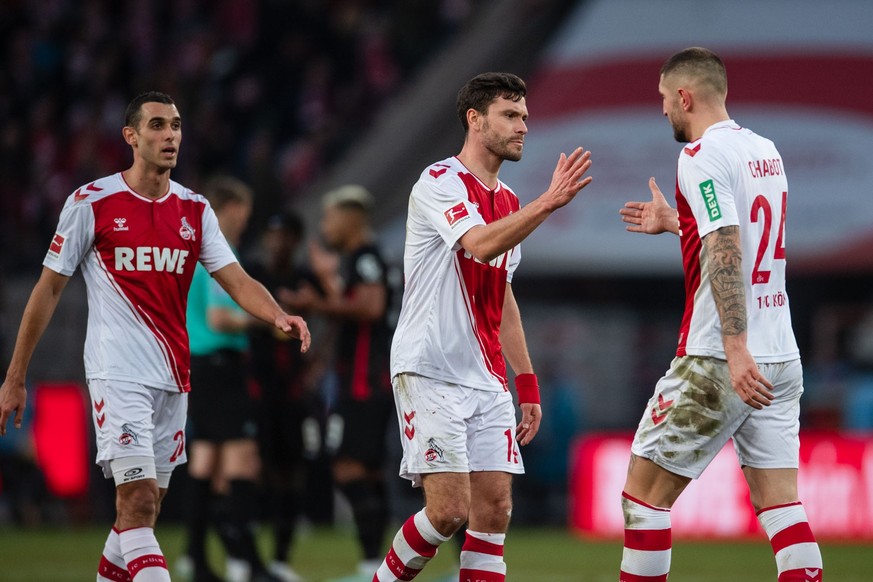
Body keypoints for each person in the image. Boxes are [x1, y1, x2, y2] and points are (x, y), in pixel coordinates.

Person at [0, 91, 310, 582]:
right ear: (131, 136)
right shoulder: (91, 203)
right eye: (159, 126)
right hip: (117, 372)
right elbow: (48, 288)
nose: (171, 136)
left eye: (177, 126)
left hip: (174, 377)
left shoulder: (194, 208)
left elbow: (235, 278)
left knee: (140, 513)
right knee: (138, 498)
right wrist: (15, 376)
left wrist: (278, 315)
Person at [370, 72, 592, 582]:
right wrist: (549, 202)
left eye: (525, 118)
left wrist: (527, 380)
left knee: (494, 512)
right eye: (510, 116)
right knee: (448, 510)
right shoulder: (438, 182)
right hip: (430, 368)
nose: (523, 128)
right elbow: (478, 245)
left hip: (486, 376)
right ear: (475, 119)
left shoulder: (510, 202)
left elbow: (503, 294)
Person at [617, 47, 823, 582]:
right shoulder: (765, 150)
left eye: (664, 99)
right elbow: (743, 235)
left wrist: (733, 348)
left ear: (684, 96)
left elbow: (728, 245)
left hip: (721, 357)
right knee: (783, 509)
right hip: (782, 355)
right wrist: (678, 221)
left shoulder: (699, 155)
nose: (663, 110)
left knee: (643, 500)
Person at [282, 185, 395, 581]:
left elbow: (370, 307)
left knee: (347, 468)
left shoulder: (366, 258)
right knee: (367, 470)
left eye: (330, 218)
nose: (326, 226)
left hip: (364, 381)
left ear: (350, 217)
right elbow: (349, 313)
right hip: (366, 377)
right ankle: (379, 564)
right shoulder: (358, 260)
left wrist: (315, 304)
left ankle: (371, 566)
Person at [182, 176, 285, 582]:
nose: (243, 223)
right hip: (220, 363)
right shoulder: (216, 254)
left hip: (201, 365)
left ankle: (196, 555)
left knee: (206, 461)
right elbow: (219, 316)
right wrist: (267, 321)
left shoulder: (193, 252)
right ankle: (248, 564)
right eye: (238, 215)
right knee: (241, 460)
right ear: (221, 212)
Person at [246, 212, 319, 582]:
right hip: (257, 389)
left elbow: (329, 317)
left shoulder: (305, 280)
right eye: (271, 235)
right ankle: (245, 555)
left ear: (295, 239)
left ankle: (280, 557)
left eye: (284, 235)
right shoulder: (253, 275)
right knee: (251, 469)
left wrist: (316, 367)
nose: (276, 242)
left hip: (292, 392)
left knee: (291, 472)